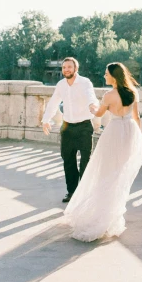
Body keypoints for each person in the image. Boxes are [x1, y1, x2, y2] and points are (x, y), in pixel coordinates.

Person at [63, 62, 142, 242]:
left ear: (114, 76)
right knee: (119, 174)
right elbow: (136, 117)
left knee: (106, 172)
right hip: (129, 131)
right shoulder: (133, 92)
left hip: (114, 132)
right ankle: (113, 214)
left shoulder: (109, 95)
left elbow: (99, 114)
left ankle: (102, 215)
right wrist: (136, 138)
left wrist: (92, 108)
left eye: (106, 73)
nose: (104, 76)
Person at [42, 57, 99, 203]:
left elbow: (90, 95)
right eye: (64, 67)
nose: (66, 69)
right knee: (68, 161)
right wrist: (46, 120)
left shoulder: (85, 82)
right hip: (67, 128)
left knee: (86, 161)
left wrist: (92, 105)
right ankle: (72, 192)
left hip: (84, 127)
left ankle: (85, 194)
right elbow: (54, 102)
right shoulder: (61, 84)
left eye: (69, 67)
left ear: (75, 69)